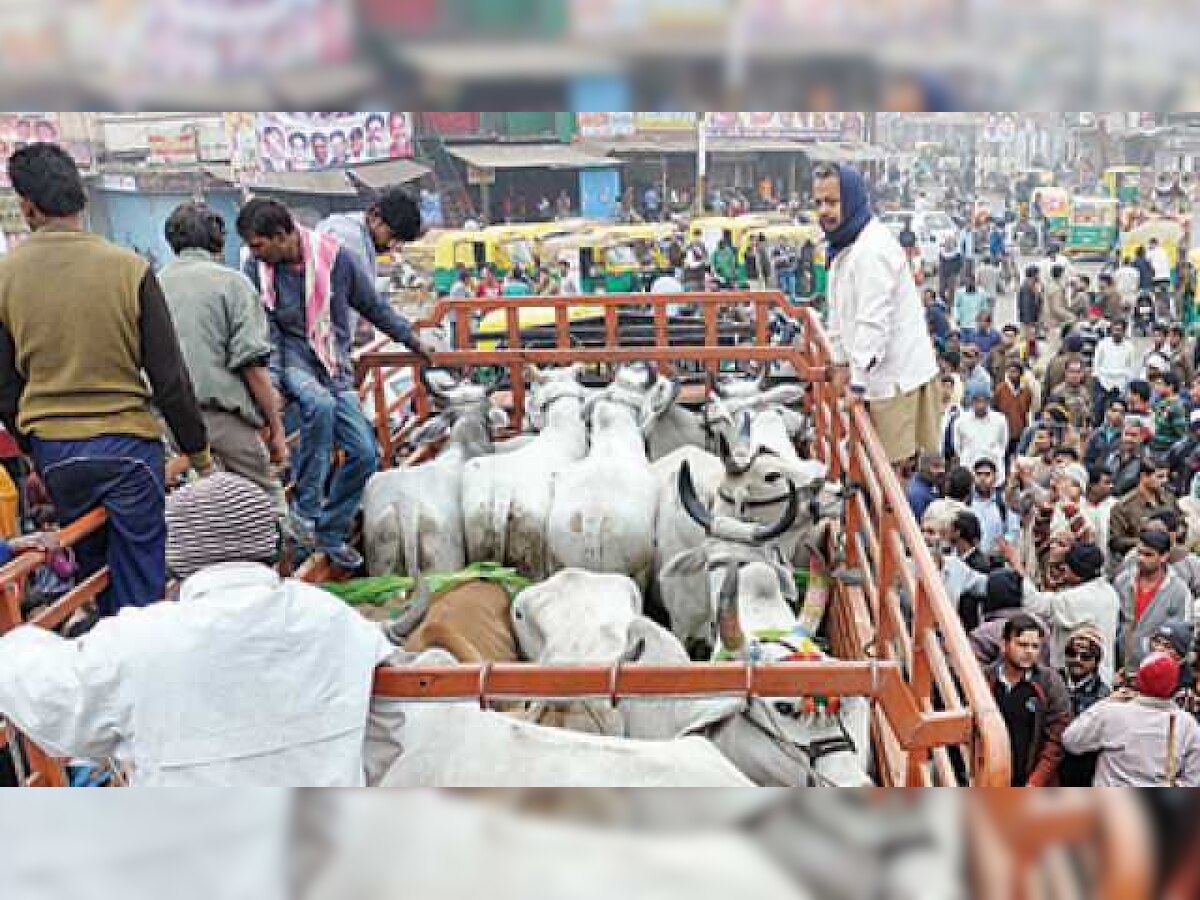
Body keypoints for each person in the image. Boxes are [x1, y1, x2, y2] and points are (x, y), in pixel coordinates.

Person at [0, 473, 398, 786]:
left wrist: (17, 643)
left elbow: (55, 703)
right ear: (275, 546)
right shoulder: (335, 618)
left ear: (174, 560)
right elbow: (388, 722)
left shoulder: (140, 639)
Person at [0, 144, 211, 617]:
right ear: (82, 200)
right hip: (129, 448)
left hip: (58, 454)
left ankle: (106, 659)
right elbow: (169, 377)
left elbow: (5, 387)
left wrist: (33, 450)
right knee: (141, 582)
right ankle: (141, 673)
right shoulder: (129, 268)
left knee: (94, 576)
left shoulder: (4, 276)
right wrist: (198, 454)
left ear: (28, 206)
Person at [237, 198, 432, 572]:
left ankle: (331, 529)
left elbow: (373, 307)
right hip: (292, 356)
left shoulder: (337, 259)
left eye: (260, 245)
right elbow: (266, 329)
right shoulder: (256, 267)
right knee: (319, 406)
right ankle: (305, 512)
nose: (255, 253)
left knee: (365, 453)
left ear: (282, 236)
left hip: (331, 359)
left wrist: (412, 341)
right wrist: (274, 382)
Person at [816, 163, 940, 465]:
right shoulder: (842, 245)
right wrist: (840, 362)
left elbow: (873, 324)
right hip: (869, 373)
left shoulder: (871, 249)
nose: (823, 211)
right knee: (866, 464)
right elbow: (838, 313)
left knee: (889, 473)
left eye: (832, 202)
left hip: (894, 379)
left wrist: (856, 382)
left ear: (853, 200)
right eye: (819, 203)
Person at [1062, 652, 1200, 786]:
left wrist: (1105, 702)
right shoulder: (1188, 725)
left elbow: (1071, 741)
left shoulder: (1112, 712)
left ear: (1139, 679)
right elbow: (1193, 779)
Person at [1002, 540, 1120, 686]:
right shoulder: (1109, 592)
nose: (1062, 568)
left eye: (1066, 566)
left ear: (1076, 573)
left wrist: (1016, 565)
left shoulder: (1079, 598)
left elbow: (1036, 604)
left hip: (1078, 677)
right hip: (1099, 675)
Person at [985, 613, 1072, 787]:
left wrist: (1036, 781)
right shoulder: (985, 679)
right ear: (1004, 645)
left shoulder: (1050, 682)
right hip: (989, 776)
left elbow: (1057, 735)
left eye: (1035, 646)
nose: (1029, 652)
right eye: (1022, 645)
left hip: (1031, 779)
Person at [1116, 530, 1194, 673]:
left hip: (1157, 673)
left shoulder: (1178, 591)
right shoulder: (1123, 581)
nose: (1141, 558)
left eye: (1148, 554)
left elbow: (1181, 637)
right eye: (1139, 552)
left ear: (1164, 556)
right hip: (1122, 667)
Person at [316, 187, 423, 287]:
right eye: (392, 236)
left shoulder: (360, 234)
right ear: (376, 218)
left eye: (400, 241)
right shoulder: (349, 237)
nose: (393, 245)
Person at [1057, 624, 1112, 787]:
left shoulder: (1102, 694)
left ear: (1097, 661)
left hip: (1082, 770)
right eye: (1072, 654)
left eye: (1086, 656)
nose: (1077, 660)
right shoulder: (1053, 680)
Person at [1109, 455, 1178, 559]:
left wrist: (1174, 533)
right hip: (1139, 559)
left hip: (1170, 558)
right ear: (1144, 476)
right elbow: (1116, 542)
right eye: (1160, 476)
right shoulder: (1124, 506)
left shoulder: (1169, 497)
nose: (1165, 480)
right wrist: (1148, 540)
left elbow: (1181, 522)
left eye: (1166, 476)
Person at [953, 385, 1008, 478]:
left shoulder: (1000, 420)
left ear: (989, 401)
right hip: (969, 471)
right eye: (977, 401)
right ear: (971, 401)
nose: (981, 405)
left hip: (994, 472)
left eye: (984, 401)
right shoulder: (960, 421)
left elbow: (1003, 445)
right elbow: (958, 448)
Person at [969, 456, 1019, 557]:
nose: (982, 478)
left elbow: (1013, 532)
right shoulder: (967, 502)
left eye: (987, 474)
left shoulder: (1003, 502)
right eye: (979, 474)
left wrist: (1000, 549)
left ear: (995, 477)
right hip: (971, 562)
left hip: (996, 563)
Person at [1092, 319, 1136, 427]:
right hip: (1103, 382)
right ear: (1111, 330)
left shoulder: (1129, 347)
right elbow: (1096, 364)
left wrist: (1125, 385)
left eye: (1120, 330)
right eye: (1115, 329)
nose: (1117, 332)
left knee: (1116, 415)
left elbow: (1131, 367)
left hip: (1119, 385)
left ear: (1124, 331)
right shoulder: (1103, 344)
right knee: (1098, 414)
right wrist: (1098, 379)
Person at [994, 360, 1033, 462]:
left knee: (1018, 460)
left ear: (1020, 373)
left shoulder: (1026, 391)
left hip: (1020, 433)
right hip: (1004, 432)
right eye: (1009, 371)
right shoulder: (1000, 389)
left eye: (1014, 371)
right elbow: (995, 409)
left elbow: (1027, 410)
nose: (1012, 374)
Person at [1150, 370, 1190, 453]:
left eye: (1159, 383)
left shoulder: (1176, 406)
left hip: (1165, 451)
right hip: (1154, 448)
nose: (1155, 386)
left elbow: (1182, 434)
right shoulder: (1160, 403)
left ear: (1170, 386)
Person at [906, 450, 945, 523]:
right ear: (923, 467)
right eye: (936, 466)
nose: (941, 471)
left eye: (943, 466)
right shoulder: (916, 494)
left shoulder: (931, 483)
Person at [1017, 265, 1042, 359]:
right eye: (1038, 274)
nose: (1039, 276)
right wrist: (1030, 323)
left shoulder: (1032, 286)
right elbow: (1026, 306)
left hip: (1030, 321)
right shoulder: (1026, 287)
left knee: (1029, 341)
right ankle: (1025, 359)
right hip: (1028, 321)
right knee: (1026, 341)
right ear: (1034, 275)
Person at [1147, 237, 1174, 317]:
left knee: (1157, 298)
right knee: (1165, 298)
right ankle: (1168, 314)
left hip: (1156, 279)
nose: (1149, 245)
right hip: (1166, 278)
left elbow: (1148, 264)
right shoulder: (1164, 252)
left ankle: (1159, 315)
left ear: (1152, 243)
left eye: (1150, 244)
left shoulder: (1150, 252)